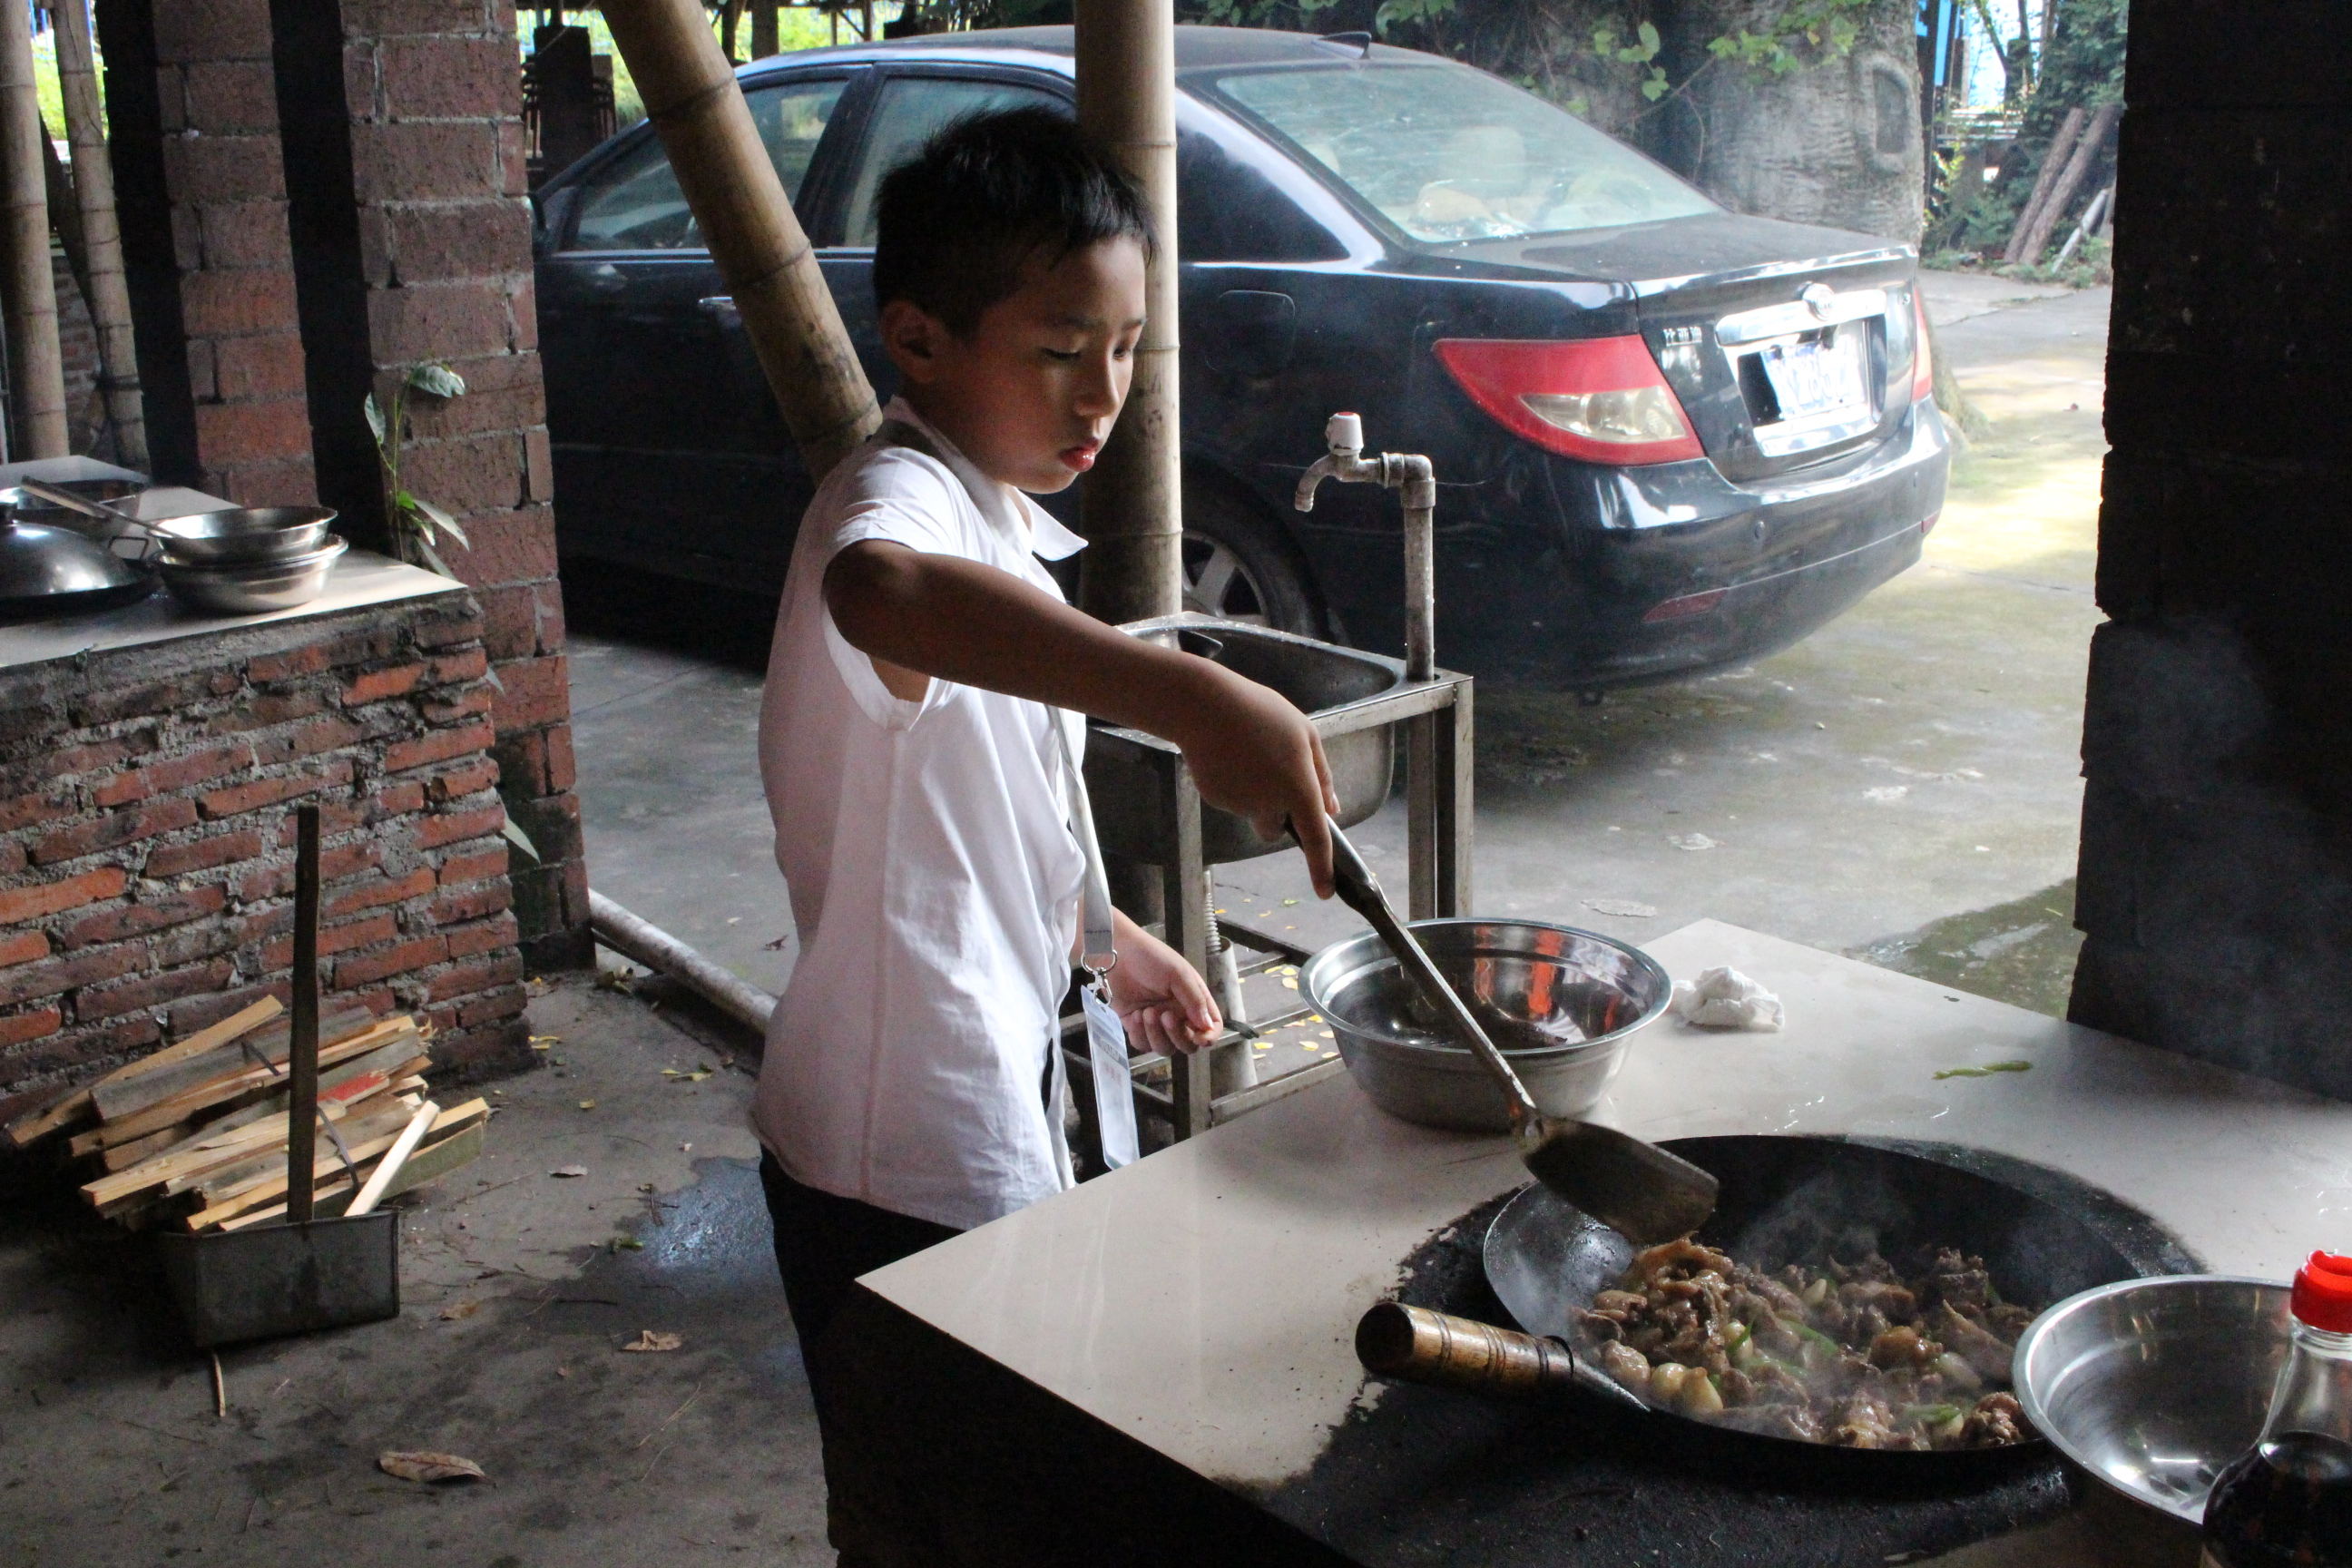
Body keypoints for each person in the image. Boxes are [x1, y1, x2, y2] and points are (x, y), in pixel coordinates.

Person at [752, 107, 1338, 1560]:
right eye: (1060, 351)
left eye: (1128, 349)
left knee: (983, 1505)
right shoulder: (892, 509)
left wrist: (1106, 938)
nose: (1104, 397)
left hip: (981, 1096)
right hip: (896, 1158)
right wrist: (1193, 690)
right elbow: (882, 593)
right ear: (920, 341)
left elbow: (981, 806)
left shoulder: (998, 516)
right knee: (948, 1522)